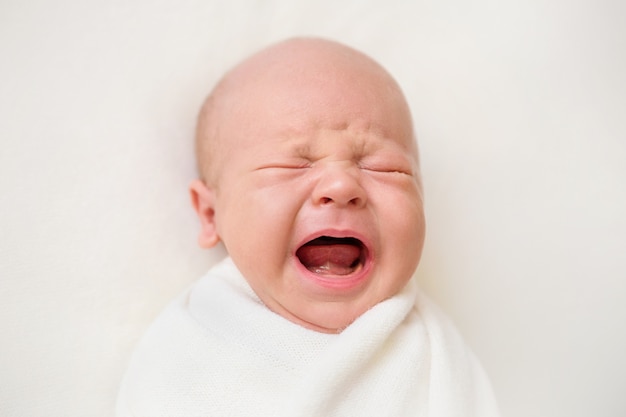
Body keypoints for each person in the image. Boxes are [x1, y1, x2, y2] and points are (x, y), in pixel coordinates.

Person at [116, 37, 500, 417]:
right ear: (211, 214)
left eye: (385, 167)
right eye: (293, 164)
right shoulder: (189, 345)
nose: (341, 186)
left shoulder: (435, 351)